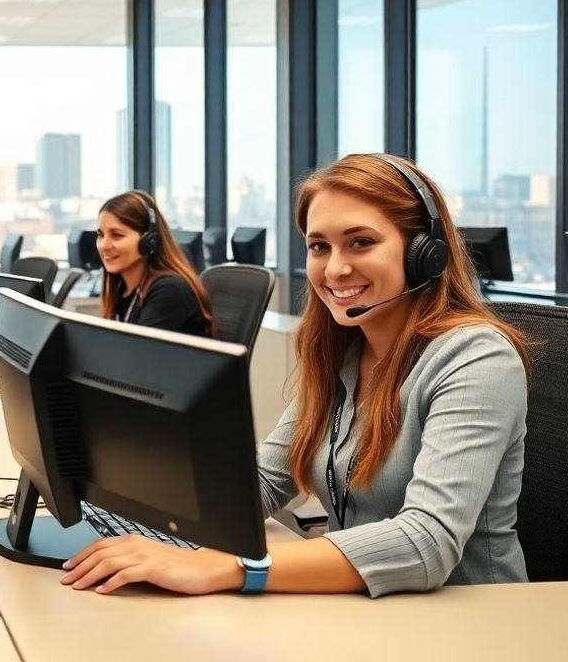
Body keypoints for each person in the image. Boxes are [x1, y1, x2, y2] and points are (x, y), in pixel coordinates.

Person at [61, 154, 530, 598]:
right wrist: (133, 502)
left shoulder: (474, 358)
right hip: (366, 608)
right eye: (318, 246)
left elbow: (426, 541)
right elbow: (264, 481)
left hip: (470, 620)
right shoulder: (344, 354)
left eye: (361, 242)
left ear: (425, 253)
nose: (336, 268)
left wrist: (230, 568)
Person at [96, 190, 213, 337]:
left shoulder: (169, 290)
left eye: (117, 235)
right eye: (100, 235)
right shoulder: (122, 289)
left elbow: (138, 356)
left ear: (149, 241)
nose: (104, 245)